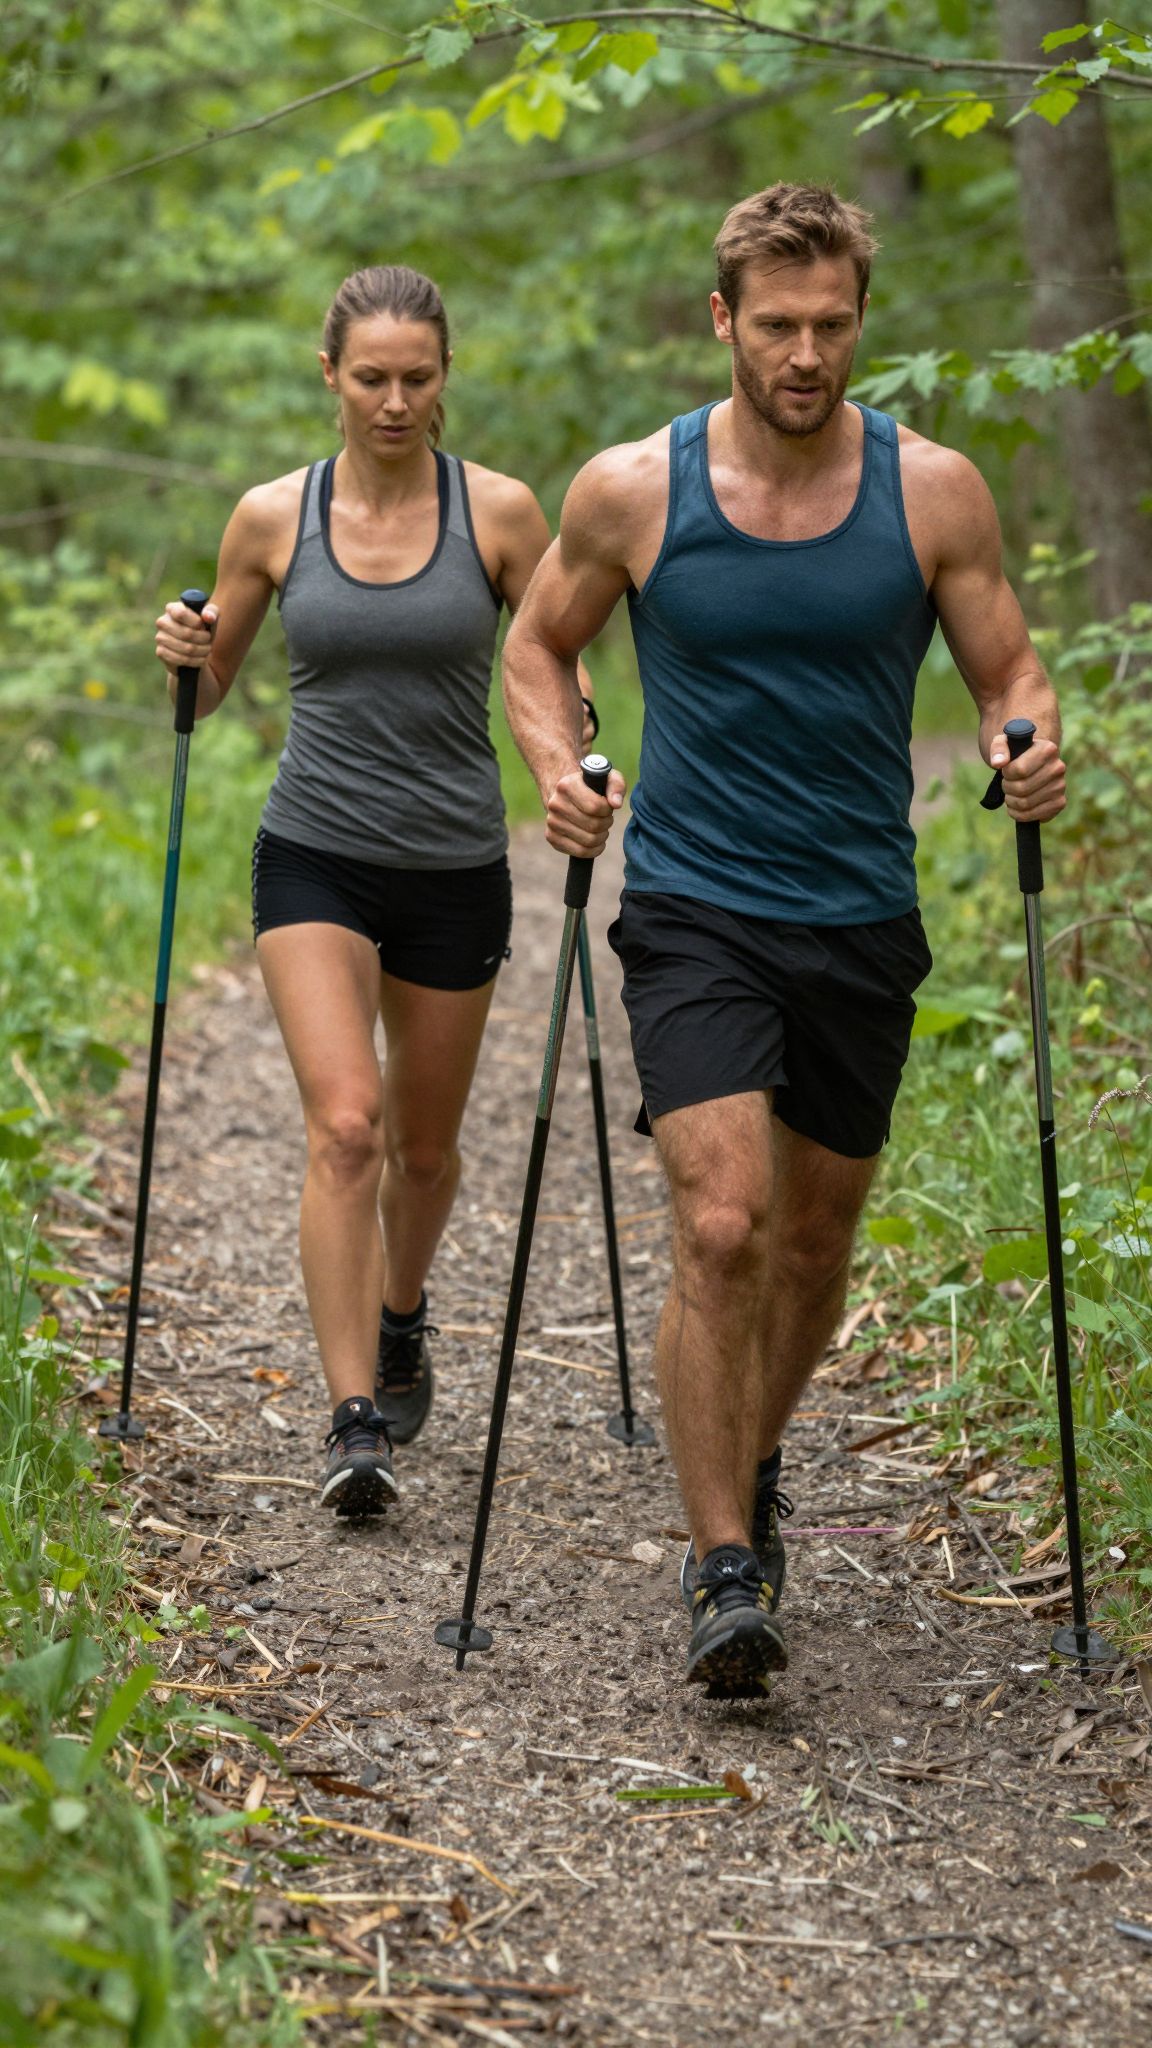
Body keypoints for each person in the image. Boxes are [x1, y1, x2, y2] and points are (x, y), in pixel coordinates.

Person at [502, 184, 1067, 1697]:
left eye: (831, 326)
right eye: (777, 327)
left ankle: (749, 1464)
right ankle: (720, 1566)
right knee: (725, 1222)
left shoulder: (932, 491)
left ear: (860, 321)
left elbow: (1008, 665)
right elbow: (540, 643)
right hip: (692, 905)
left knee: (813, 1244)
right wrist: (560, 767)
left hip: (860, 912)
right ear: (723, 322)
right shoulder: (634, 490)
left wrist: (1027, 744)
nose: (806, 355)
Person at [155, 264, 593, 1518]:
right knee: (345, 1124)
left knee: (425, 1145)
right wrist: (187, 656)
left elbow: (554, 658)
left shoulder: (503, 514)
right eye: (371, 378)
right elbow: (213, 684)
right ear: (329, 376)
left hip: (457, 861)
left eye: (418, 377)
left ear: (445, 375)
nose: (395, 401)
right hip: (317, 848)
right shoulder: (271, 517)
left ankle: (402, 1314)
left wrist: (573, 758)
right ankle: (355, 1412)